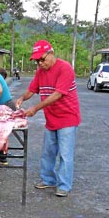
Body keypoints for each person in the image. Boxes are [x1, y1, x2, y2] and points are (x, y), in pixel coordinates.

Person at [16, 40, 81, 197]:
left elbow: (57, 95)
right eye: (37, 60)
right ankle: (48, 180)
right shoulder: (40, 71)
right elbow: (32, 89)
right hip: (51, 118)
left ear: (51, 54)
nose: (40, 63)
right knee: (48, 152)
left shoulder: (65, 68)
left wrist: (36, 108)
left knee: (65, 154)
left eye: (42, 59)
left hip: (67, 117)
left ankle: (64, 186)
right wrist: (21, 99)